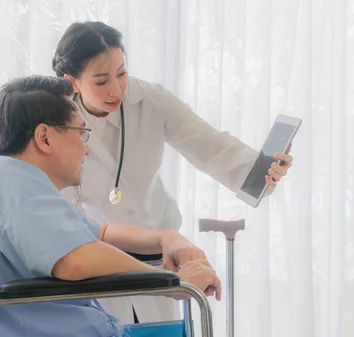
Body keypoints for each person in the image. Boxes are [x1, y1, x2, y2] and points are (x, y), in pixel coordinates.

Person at [52, 21, 294, 323]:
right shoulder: (55, 120)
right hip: (96, 262)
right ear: (72, 81)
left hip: (157, 257)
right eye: (100, 81)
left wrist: (260, 173)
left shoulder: (150, 99)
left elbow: (208, 143)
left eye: (122, 73)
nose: (116, 89)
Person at [0, 75, 222, 337]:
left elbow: (98, 234)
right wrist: (169, 283)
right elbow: (75, 261)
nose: (86, 148)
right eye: (81, 133)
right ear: (44, 137)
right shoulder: (10, 178)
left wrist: (166, 238)